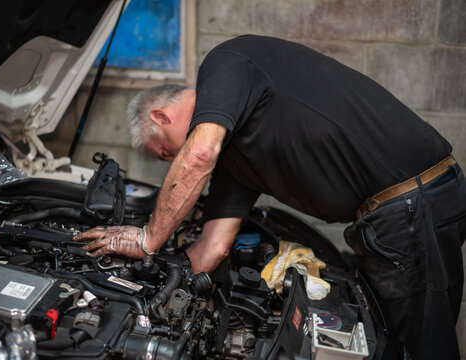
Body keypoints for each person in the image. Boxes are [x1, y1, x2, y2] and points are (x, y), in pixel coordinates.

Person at [73, 35, 466, 359]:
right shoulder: (236, 159)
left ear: (161, 116)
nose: (170, 160)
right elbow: (213, 247)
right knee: (393, 345)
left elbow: (198, 155)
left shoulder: (226, 62)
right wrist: (151, 285)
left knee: (426, 349)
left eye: (163, 152)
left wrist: (146, 238)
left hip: (413, 202)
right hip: (393, 218)